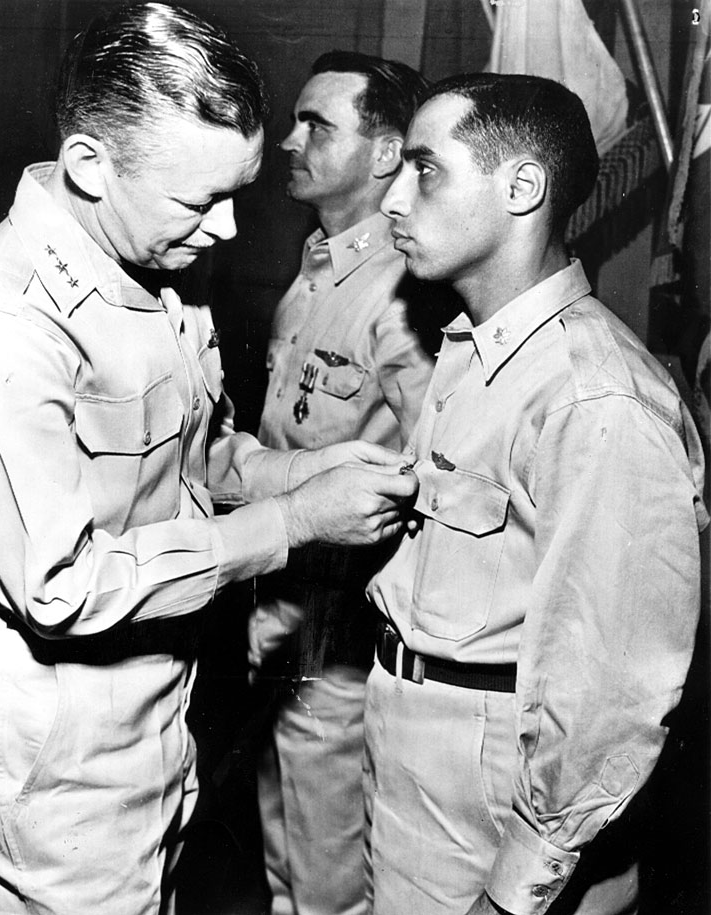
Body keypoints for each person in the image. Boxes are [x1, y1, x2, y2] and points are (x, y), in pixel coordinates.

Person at [0, 6, 419, 915]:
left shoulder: (154, 274)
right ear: (90, 168)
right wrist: (294, 524)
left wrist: (306, 475)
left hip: (152, 719)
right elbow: (62, 585)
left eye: (238, 192)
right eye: (200, 201)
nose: (227, 229)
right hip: (41, 748)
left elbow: (203, 450)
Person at [365, 73, 709, 915]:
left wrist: (516, 891)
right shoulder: (473, 350)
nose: (392, 202)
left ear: (523, 187)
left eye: (425, 169)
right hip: (416, 749)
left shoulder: (595, 397)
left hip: (497, 791)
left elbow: (612, 690)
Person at [247, 50, 433, 915]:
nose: (289, 139)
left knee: (329, 889)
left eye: (317, 124)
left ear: (388, 153)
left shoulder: (407, 290)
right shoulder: (317, 264)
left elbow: (438, 470)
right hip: (275, 618)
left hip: (342, 639)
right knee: (286, 865)